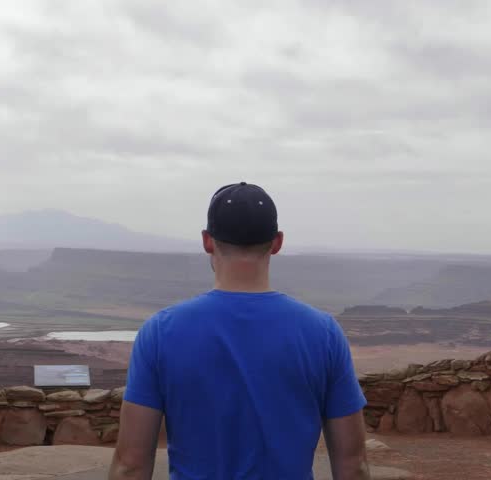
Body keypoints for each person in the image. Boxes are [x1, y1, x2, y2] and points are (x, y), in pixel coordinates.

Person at [110, 182, 369, 479]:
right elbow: (354, 464)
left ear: (208, 241)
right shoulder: (324, 334)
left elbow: (130, 463)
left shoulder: (159, 333)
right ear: (277, 242)